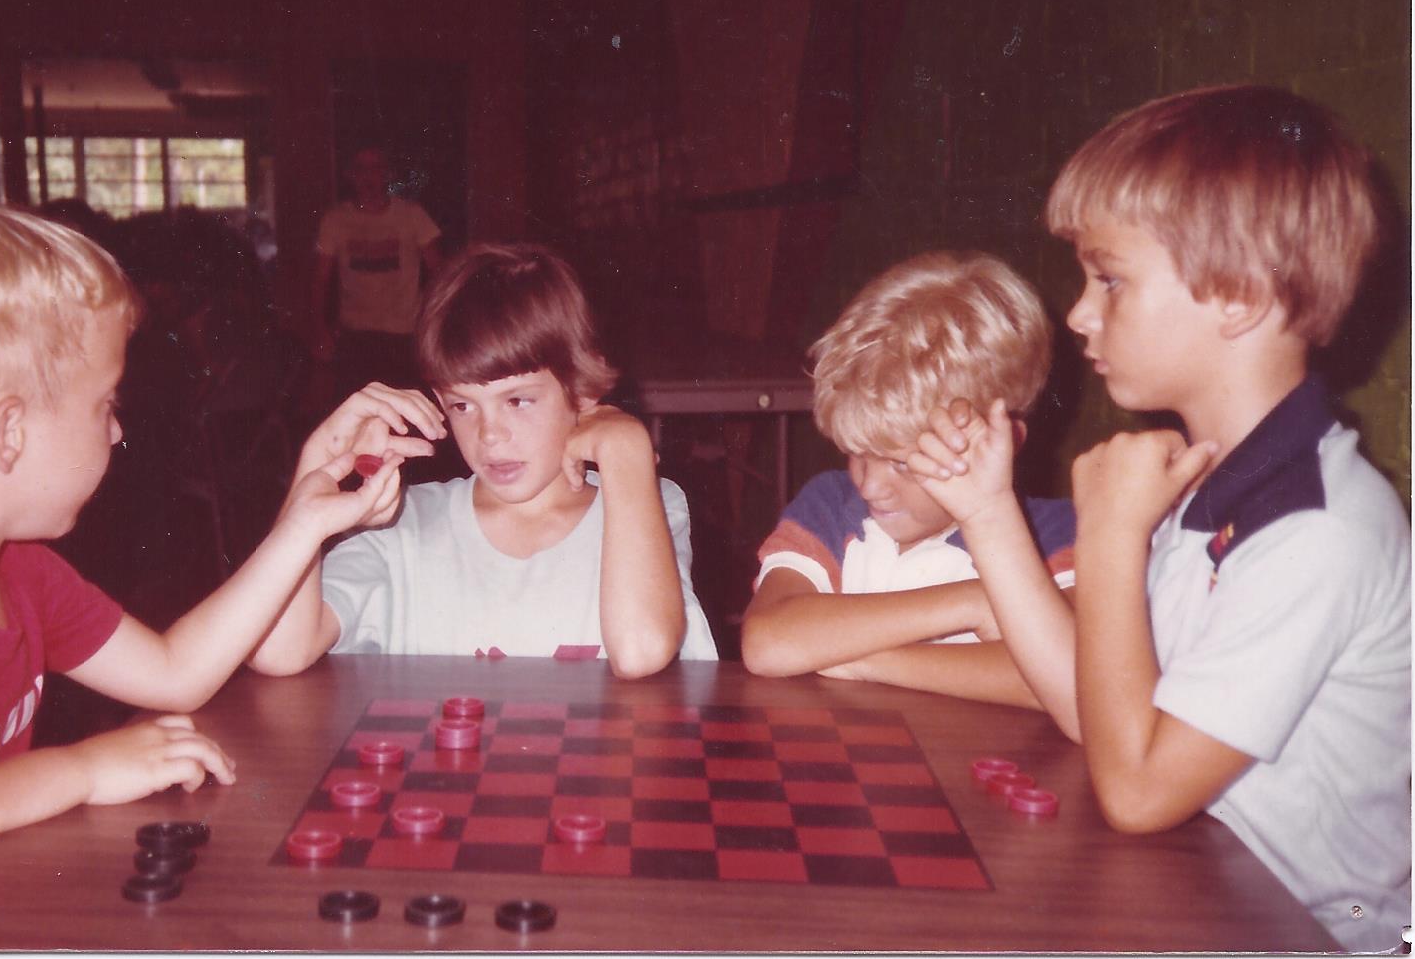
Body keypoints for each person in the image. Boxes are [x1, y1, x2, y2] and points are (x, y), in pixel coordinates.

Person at [907, 85, 1409, 951]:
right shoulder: (1209, 480)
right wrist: (988, 513)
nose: (1078, 312)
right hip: (1195, 888)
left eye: (1110, 278)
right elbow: (1099, 712)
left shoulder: (1317, 531)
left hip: (1308, 932)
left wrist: (1108, 538)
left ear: (1237, 296)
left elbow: (1137, 790)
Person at [0, 197, 445, 879]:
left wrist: (307, 508)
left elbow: (176, 671)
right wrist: (80, 768)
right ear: (10, 432)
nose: (117, 430)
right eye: (105, 404)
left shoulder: (27, 576)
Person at [250, 242, 719, 679]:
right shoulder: (402, 524)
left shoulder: (641, 504)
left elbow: (641, 650)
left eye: (517, 401)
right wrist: (314, 472)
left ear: (583, 390)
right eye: (462, 406)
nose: (489, 434)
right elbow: (277, 650)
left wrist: (628, 449)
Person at [740, 251, 1076, 713]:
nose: (871, 486)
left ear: (1002, 443)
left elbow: (1063, 683)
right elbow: (768, 642)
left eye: (902, 463)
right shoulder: (830, 505)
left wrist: (866, 659)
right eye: (858, 452)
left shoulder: (1052, 537)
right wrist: (973, 602)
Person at [311, 144, 445, 396]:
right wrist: (321, 330)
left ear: (387, 174)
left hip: (405, 336)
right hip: (355, 337)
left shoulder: (412, 215)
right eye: (361, 169)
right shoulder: (335, 220)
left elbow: (439, 275)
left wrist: (433, 329)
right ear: (350, 175)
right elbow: (320, 280)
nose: (368, 176)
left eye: (376, 168)